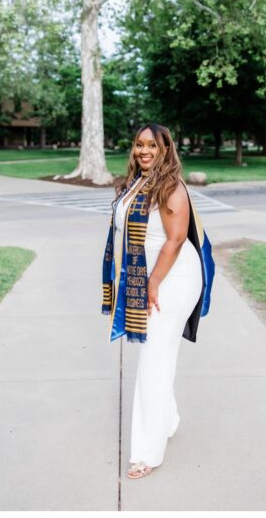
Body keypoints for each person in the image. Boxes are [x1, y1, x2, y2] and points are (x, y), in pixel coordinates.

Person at [101, 122, 215, 480]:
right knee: (158, 356)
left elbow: (176, 240)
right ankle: (168, 418)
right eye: (139, 145)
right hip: (149, 278)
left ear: (166, 149)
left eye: (152, 145)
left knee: (153, 360)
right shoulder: (137, 182)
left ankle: (147, 452)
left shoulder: (170, 188)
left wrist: (152, 284)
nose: (144, 151)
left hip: (172, 279)